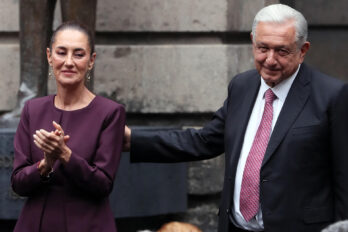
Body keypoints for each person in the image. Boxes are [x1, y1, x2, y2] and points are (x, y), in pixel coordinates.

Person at [123, 4, 348, 232]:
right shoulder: (242, 86)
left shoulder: (332, 96)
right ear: (253, 42)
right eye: (262, 48)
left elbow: (344, 180)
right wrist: (133, 140)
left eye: (282, 51)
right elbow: (203, 141)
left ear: (302, 50)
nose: (270, 59)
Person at [11, 21, 125, 232]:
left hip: (87, 224)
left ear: (91, 61)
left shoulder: (110, 112)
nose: (69, 62)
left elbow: (103, 185)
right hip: (35, 223)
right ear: (49, 56)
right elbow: (18, 183)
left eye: (79, 54)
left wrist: (65, 154)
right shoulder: (32, 109)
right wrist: (45, 164)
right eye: (61, 52)